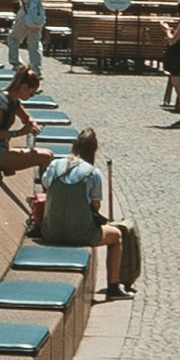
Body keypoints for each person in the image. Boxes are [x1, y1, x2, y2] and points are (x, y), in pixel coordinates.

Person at [40, 126, 128, 299]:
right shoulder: (93, 173)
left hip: (51, 231)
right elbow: (96, 207)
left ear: (75, 145)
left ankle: (114, 287)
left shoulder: (56, 164)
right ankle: (113, 287)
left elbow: (46, 186)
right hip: (81, 234)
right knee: (116, 236)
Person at [0, 67, 42, 181]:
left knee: (46, 155)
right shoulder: (0, 104)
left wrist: (32, 124)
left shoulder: (13, 101)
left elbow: (26, 118)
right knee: (44, 158)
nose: (31, 97)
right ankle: (45, 197)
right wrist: (19, 133)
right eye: (32, 93)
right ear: (24, 87)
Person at [8, 0, 46, 82]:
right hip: (38, 16)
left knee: (13, 38)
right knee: (35, 43)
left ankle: (16, 63)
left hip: (25, 14)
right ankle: (36, 70)